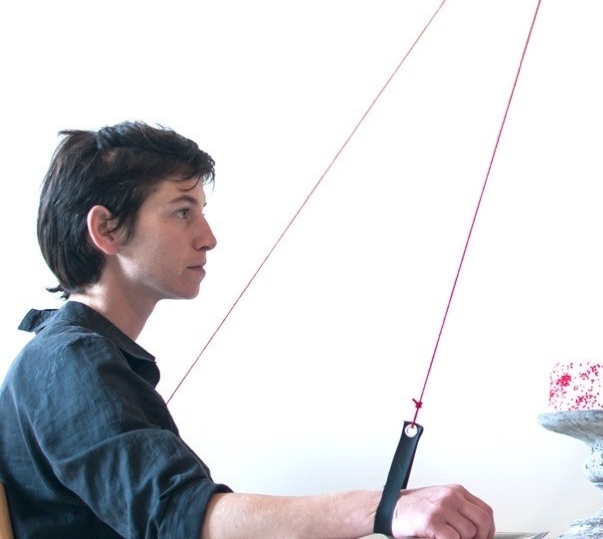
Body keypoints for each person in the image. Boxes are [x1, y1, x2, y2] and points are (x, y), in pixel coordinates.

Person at [0, 121, 495, 539]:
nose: (208, 237)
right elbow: (181, 516)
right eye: (182, 211)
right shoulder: (67, 361)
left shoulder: (79, 357)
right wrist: (386, 508)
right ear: (106, 230)